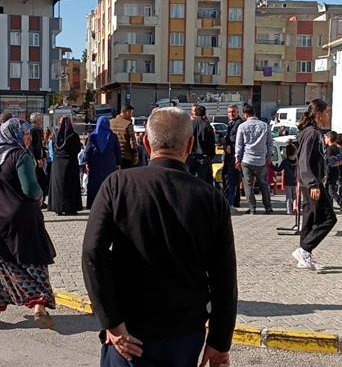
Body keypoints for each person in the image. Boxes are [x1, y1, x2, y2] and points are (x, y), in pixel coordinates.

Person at [83, 107, 237, 367]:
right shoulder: (211, 198)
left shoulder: (117, 185)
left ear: (145, 142)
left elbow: (92, 254)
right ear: (190, 144)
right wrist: (219, 343)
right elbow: (224, 276)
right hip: (184, 335)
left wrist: (111, 323)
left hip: (129, 334)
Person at [0, 118, 57, 329]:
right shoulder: (21, 156)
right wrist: (40, 194)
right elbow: (30, 189)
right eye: (26, 133)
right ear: (15, 134)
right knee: (33, 261)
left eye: (29, 133)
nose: (29, 137)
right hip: (20, 218)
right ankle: (39, 304)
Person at [292, 99, 336, 271]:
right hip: (312, 183)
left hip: (310, 181)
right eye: (326, 113)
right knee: (328, 218)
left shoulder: (313, 132)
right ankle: (304, 250)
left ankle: (304, 257)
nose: (328, 116)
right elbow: (303, 161)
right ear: (319, 114)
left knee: (309, 219)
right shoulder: (312, 133)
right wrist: (312, 184)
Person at [235, 105, 273, 214]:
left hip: (247, 160)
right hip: (261, 160)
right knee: (264, 184)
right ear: (254, 113)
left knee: (248, 186)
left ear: (245, 114)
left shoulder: (242, 126)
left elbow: (239, 145)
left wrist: (237, 159)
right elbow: (269, 144)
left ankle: (252, 208)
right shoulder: (265, 126)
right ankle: (268, 207)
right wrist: (268, 157)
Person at [84, 116, 121, 208]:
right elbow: (117, 151)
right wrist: (118, 163)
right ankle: (109, 203)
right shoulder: (112, 136)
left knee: (95, 184)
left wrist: (87, 162)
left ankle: (93, 203)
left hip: (96, 163)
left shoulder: (92, 136)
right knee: (109, 183)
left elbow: (87, 151)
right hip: (110, 163)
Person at [48, 116, 83, 215]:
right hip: (70, 163)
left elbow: (53, 149)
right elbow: (77, 149)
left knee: (59, 186)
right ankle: (70, 208)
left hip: (57, 164)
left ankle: (58, 207)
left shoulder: (55, 135)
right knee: (70, 186)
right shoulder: (73, 135)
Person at [187, 105, 217, 184]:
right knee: (203, 182)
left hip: (191, 156)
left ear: (195, 113)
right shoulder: (207, 126)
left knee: (190, 181)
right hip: (204, 157)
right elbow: (211, 143)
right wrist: (212, 156)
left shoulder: (189, 125)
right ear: (204, 113)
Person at [223, 104, 243, 211]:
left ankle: (230, 203)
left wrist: (228, 142)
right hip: (230, 156)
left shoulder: (239, 123)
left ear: (238, 112)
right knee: (231, 180)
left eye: (233, 112)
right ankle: (233, 202)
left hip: (234, 156)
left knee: (232, 181)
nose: (231, 114)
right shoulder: (231, 123)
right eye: (229, 112)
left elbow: (235, 138)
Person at [324, 131, 342, 216]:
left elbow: (328, 163)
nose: (325, 139)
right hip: (336, 172)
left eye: (326, 138)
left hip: (330, 173)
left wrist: (326, 175)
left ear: (329, 139)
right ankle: (329, 210)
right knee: (329, 192)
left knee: (331, 192)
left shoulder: (329, 149)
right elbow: (339, 160)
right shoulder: (337, 149)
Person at [273, 143, 298, 215]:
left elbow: (278, 169)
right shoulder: (297, 161)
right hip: (296, 181)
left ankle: (289, 211)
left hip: (287, 181)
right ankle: (295, 208)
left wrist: (271, 165)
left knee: (288, 197)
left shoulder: (285, 161)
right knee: (295, 197)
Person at [29, 113, 48, 206]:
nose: (42, 121)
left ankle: (41, 201)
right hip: (35, 161)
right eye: (40, 119)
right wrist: (38, 158)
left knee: (42, 180)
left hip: (39, 159)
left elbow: (40, 146)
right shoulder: (33, 130)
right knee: (40, 180)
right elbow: (33, 146)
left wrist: (43, 156)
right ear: (36, 120)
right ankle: (38, 201)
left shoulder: (37, 130)